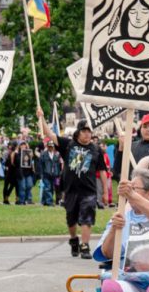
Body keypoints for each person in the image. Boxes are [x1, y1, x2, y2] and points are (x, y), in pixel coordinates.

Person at [38, 108, 109, 259]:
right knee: (71, 219)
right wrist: (41, 117)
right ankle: (74, 240)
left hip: (88, 190)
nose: (87, 134)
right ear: (78, 133)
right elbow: (49, 134)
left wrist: (105, 192)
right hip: (70, 190)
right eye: (84, 131)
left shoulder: (96, 150)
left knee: (87, 217)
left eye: (89, 131)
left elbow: (102, 171)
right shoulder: (67, 144)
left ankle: (85, 245)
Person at [113, 113, 149, 182]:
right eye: (144, 126)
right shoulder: (131, 146)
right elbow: (117, 170)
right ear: (140, 128)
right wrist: (121, 148)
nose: (148, 129)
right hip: (132, 189)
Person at [39, 140, 63, 206]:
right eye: (49, 146)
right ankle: (49, 202)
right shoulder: (43, 154)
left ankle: (44, 201)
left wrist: (58, 173)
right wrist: (41, 175)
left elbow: (59, 165)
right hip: (46, 174)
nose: (51, 148)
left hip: (55, 174)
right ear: (47, 146)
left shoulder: (57, 155)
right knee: (47, 187)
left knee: (52, 188)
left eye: (52, 146)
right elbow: (41, 165)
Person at [16, 141, 36, 205]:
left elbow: (32, 161)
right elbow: (17, 162)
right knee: (23, 187)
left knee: (29, 185)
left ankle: (28, 199)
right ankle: (22, 201)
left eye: (24, 145)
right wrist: (21, 153)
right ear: (19, 146)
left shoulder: (29, 153)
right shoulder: (17, 154)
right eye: (21, 145)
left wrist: (31, 156)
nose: (23, 146)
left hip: (28, 173)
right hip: (21, 173)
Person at [96, 141, 113, 207]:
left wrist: (109, 171)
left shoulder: (106, 155)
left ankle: (107, 202)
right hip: (98, 176)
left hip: (107, 176)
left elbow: (107, 166)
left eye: (104, 146)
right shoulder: (98, 155)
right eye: (101, 146)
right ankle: (99, 203)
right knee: (99, 190)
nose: (102, 148)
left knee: (107, 189)